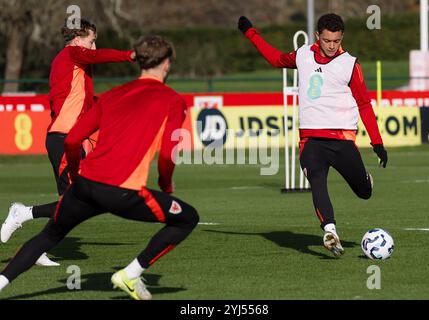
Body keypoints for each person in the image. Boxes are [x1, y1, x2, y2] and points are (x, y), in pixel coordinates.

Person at [0, 35, 199, 300]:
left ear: (138, 61)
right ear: (166, 64)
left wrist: (75, 172)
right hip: (123, 191)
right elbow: (167, 156)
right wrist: (166, 185)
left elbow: (72, 139)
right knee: (187, 218)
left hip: (85, 185)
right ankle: (130, 273)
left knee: (48, 236)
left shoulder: (112, 95)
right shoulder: (173, 100)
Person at [238, 14, 388, 257]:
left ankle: (365, 181)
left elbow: (364, 104)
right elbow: (275, 58)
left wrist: (377, 143)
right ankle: (330, 230)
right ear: (318, 36)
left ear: (342, 38)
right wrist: (250, 32)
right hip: (310, 140)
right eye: (327, 40)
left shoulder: (350, 64)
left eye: (336, 41)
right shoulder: (302, 55)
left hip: (341, 140)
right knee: (316, 180)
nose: (332, 46)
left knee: (364, 193)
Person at [1, 18, 136, 266]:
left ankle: (35, 243)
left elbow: (85, 104)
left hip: (66, 140)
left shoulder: (74, 66)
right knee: (77, 202)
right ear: (77, 40)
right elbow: (97, 59)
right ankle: (23, 214)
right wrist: (130, 54)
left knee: (75, 202)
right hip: (63, 140)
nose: (93, 48)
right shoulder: (73, 54)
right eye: (91, 41)